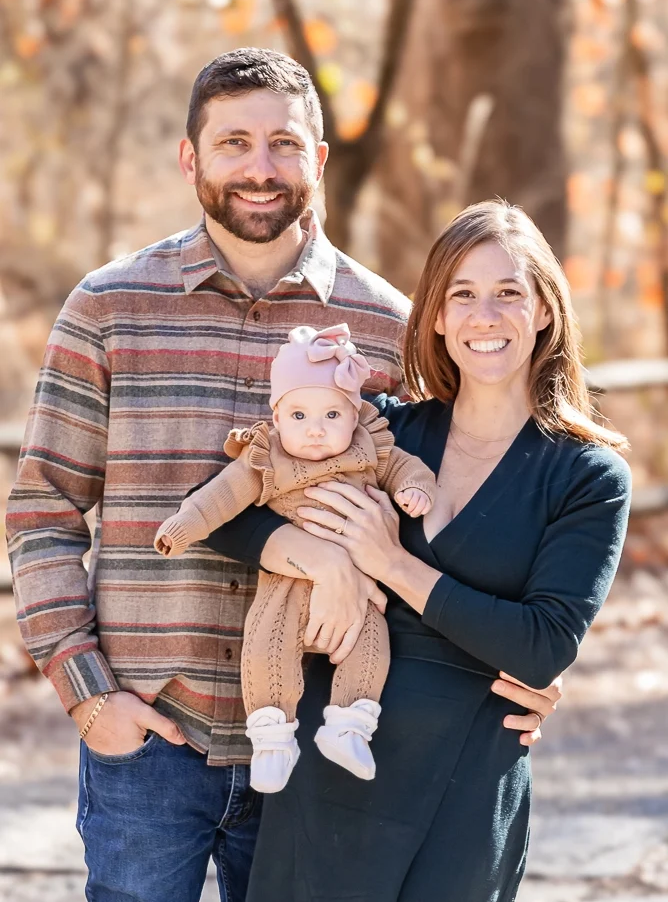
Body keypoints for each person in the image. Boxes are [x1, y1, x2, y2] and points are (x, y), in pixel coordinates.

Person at [5, 48, 560, 902]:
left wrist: (526, 661)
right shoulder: (109, 309)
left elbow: (454, 510)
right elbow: (42, 510)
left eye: (283, 144)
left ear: (319, 158)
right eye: (233, 143)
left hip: (324, 748)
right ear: (191, 158)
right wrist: (88, 692)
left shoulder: (390, 326)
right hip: (153, 738)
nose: (260, 169)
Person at [209, 200, 632, 902]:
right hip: (331, 769)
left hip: (464, 788)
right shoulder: (387, 435)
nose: (484, 316)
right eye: (461, 294)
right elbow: (231, 510)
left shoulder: (587, 475)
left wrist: (391, 562)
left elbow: (542, 645)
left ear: (546, 311)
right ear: (435, 315)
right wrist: (318, 558)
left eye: (508, 294)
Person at [153, 322, 436, 793]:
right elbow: (221, 496)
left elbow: (410, 468)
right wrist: (183, 527)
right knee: (266, 645)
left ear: (355, 415)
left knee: (370, 645)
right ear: (277, 416)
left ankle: (348, 727)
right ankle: (271, 740)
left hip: (360, 590)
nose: (316, 430)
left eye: (331, 415)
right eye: (299, 416)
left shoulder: (371, 448)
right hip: (284, 584)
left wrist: (413, 489)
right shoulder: (267, 456)